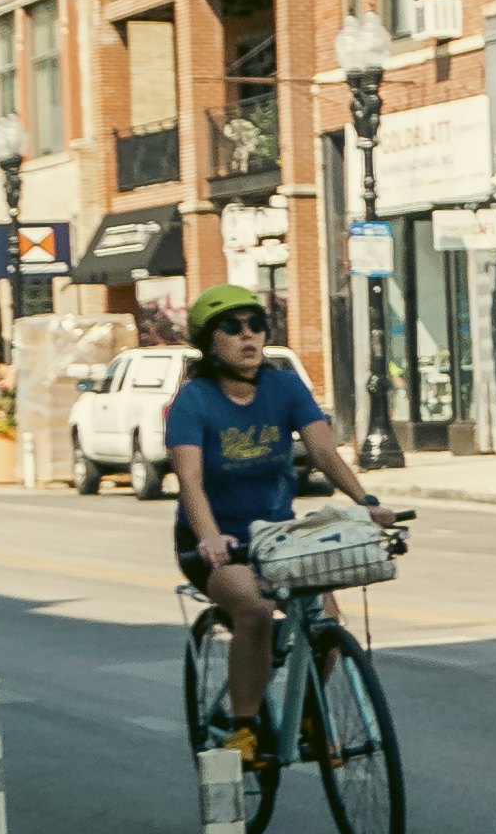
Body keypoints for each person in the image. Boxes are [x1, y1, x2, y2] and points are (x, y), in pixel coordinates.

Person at [165, 287, 393, 753]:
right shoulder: (195, 400)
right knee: (253, 609)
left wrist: (366, 500)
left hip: (277, 539)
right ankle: (244, 727)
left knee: (326, 620)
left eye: (256, 325)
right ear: (210, 342)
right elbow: (190, 480)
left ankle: (308, 714)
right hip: (215, 543)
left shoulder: (285, 387)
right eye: (232, 328)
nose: (247, 336)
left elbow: (325, 452)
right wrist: (209, 535)